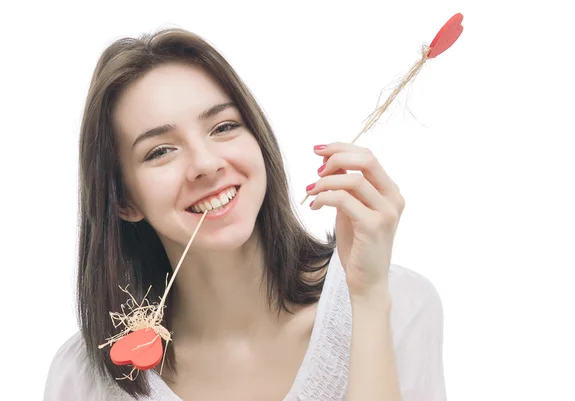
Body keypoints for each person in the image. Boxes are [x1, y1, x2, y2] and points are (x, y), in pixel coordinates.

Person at [43, 27, 446, 401]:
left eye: (222, 127)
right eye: (160, 151)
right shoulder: (83, 379)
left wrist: (370, 300)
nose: (205, 163)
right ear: (123, 201)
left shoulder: (397, 304)